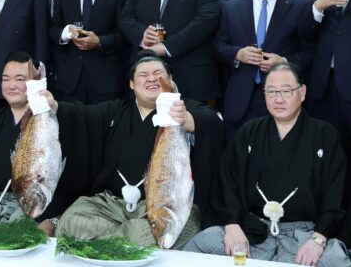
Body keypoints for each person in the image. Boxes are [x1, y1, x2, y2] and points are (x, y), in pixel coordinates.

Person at [183, 62, 351, 267]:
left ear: (302, 92)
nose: (278, 98)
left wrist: (319, 239)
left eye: (286, 91)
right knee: (201, 244)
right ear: (264, 95)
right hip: (251, 231)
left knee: (333, 261)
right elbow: (227, 181)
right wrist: (232, 225)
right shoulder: (250, 132)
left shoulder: (325, 135)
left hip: (304, 235)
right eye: (272, 91)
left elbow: (337, 193)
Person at [52, 53, 225, 249]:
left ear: (170, 79)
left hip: (165, 206)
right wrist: (55, 106)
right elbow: (81, 115)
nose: (151, 78)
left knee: (158, 233)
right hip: (113, 204)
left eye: (158, 72)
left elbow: (213, 120)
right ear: (132, 84)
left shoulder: (185, 109)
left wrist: (189, 120)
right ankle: (120, 242)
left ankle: (107, 244)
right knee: (71, 221)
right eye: (143, 74)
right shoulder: (116, 110)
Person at [0, 51, 88, 236]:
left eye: (20, 79)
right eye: (5, 79)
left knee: (23, 232)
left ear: (35, 84)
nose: (11, 85)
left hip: (29, 206)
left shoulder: (52, 122)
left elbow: (66, 178)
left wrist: (53, 216)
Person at [213, 0, 313, 141]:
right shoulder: (231, 7)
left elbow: (311, 53)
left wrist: (284, 61)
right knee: (239, 160)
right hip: (240, 99)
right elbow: (217, 46)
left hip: (283, 99)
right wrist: (237, 54)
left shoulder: (301, 6)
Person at [302, 0, 351, 248]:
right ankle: (335, 232)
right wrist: (316, 8)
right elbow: (305, 35)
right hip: (325, 92)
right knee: (331, 166)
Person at [119, 0, 221, 103]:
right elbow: (126, 18)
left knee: (188, 125)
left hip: (189, 76)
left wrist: (166, 47)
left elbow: (206, 21)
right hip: (147, 75)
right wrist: (142, 36)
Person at [49, 0, 129, 104]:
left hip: (105, 81)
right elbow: (53, 28)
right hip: (69, 81)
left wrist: (99, 41)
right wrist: (65, 33)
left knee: (103, 128)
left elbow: (124, 35)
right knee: (72, 127)